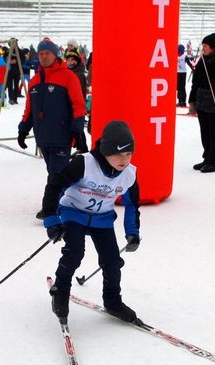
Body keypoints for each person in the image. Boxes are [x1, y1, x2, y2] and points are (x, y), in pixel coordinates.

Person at [42, 120, 141, 324]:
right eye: (118, 154)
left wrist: (132, 231)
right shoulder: (85, 163)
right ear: (105, 151)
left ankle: (113, 301)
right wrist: (52, 220)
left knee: (112, 261)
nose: (124, 160)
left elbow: (132, 205)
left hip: (102, 219)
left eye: (128, 154)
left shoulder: (130, 174)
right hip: (73, 212)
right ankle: (60, 292)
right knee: (75, 252)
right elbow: (55, 185)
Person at [17, 38, 86, 219]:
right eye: (40, 53)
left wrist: (77, 130)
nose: (43, 56)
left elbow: (79, 105)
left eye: (47, 53)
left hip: (62, 136)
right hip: (43, 137)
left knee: (56, 174)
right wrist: (23, 130)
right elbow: (29, 110)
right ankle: (70, 198)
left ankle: (51, 208)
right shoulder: (34, 81)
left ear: (55, 54)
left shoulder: (68, 77)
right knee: (55, 172)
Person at [188, 33, 215, 173]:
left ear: (212, 47)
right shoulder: (202, 61)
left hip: (214, 101)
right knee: (204, 131)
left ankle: (214, 162)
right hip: (201, 100)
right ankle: (207, 158)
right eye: (203, 46)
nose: (203, 48)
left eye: (205, 46)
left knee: (213, 132)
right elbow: (195, 81)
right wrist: (192, 100)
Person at [64, 52, 88, 154]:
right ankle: (81, 147)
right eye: (68, 60)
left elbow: (81, 92)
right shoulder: (68, 73)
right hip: (69, 104)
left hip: (77, 105)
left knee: (78, 127)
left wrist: (80, 106)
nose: (70, 62)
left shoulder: (79, 74)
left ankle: (83, 148)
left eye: (72, 60)